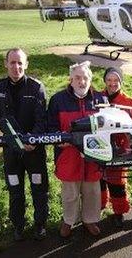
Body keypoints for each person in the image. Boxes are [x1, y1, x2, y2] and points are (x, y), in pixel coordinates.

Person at [0, 48, 48, 241]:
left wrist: (32, 140)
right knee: (15, 190)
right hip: (11, 152)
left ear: (26, 64)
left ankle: (40, 224)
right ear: (6, 64)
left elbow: (42, 120)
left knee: (39, 189)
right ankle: (18, 224)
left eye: (20, 63)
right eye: (12, 62)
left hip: (34, 151)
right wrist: (13, 138)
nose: (16, 67)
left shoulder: (36, 87)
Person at [47, 61, 105, 238]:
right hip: (68, 155)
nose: (82, 81)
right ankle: (69, 220)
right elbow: (51, 127)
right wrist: (59, 140)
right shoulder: (58, 100)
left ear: (90, 79)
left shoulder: (100, 99)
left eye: (85, 77)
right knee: (70, 193)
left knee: (92, 191)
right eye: (77, 78)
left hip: (93, 156)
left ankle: (90, 220)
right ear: (70, 80)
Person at [100, 67, 132, 228]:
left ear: (121, 81)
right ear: (105, 81)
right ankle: (100, 206)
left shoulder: (128, 102)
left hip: (120, 149)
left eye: (116, 80)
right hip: (100, 146)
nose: (112, 83)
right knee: (98, 180)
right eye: (109, 80)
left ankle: (119, 212)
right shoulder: (97, 97)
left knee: (117, 183)